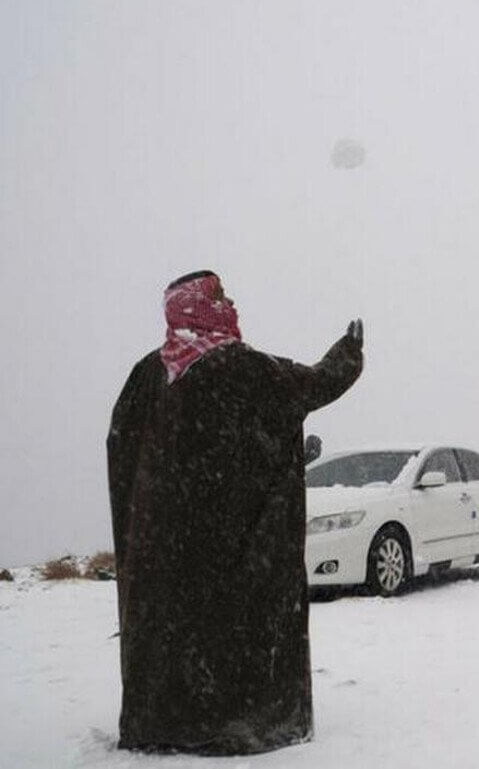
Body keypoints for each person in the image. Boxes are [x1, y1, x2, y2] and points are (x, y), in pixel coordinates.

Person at [106, 271, 363, 756]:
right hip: (226, 549)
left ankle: (165, 719)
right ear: (199, 307)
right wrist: (346, 357)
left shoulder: (147, 376)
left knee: (176, 637)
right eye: (221, 296)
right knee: (229, 633)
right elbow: (309, 385)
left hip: (166, 555)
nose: (232, 304)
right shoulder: (239, 368)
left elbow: (122, 448)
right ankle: (228, 719)